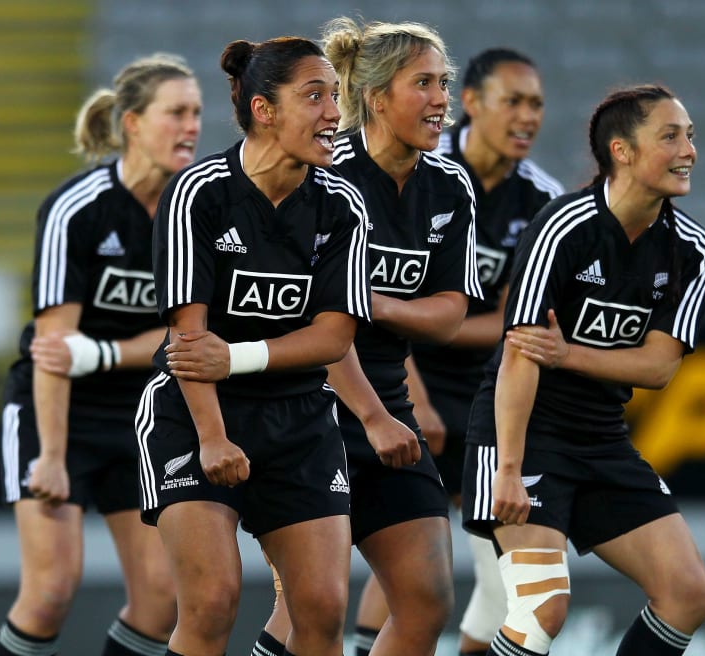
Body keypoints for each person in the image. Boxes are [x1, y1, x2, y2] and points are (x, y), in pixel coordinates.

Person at [141, 35, 400, 656]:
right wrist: (211, 436)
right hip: (194, 412)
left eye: (334, 97)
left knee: (321, 611)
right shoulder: (198, 193)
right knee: (210, 604)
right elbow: (189, 338)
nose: (334, 113)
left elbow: (334, 336)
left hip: (300, 418)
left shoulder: (342, 205)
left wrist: (241, 357)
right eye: (315, 96)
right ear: (264, 109)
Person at [251, 18, 481, 656]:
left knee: (427, 599)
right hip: (309, 405)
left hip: (387, 404)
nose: (442, 99)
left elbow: (451, 317)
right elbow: (316, 326)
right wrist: (373, 407)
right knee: (307, 612)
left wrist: (368, 303)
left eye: (445, 83)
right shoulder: (326, 175)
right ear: (377, 99)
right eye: (424, 84)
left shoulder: (449, 185)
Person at [462, 84, 705, 656]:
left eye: (692, 137)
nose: (689, 150)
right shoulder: (564, 227)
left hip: (601, 439)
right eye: (671, 136)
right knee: (542, 607)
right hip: (526, 434)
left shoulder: (691, 248)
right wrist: (507, 467)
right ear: (622, 151)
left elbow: (656, 368)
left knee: (689, 593)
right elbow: (521, 353)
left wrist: (569, 353)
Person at [0, 53, 201, 656]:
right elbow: (55, 350)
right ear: (132, 122)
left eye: (196, 113)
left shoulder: (200, 211)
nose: (191, 126)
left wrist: (107, 353)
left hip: (144, 417)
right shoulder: (77, 208)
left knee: (163, 597)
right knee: (53, 589)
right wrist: (53, 458)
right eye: (176, 113)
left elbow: (188, 340)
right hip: (56, 414)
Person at [364, 47, 562, 656]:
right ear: (471, 104)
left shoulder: (541, 199)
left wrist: (452, 319)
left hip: (484, 390)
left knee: (507, 581)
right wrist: (410, 394)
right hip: (397, 378)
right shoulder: (419, 168)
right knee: (399, 557)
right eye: (514, 101)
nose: (528, 116)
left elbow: (516, 321)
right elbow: (372, 301)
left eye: (536, 104)